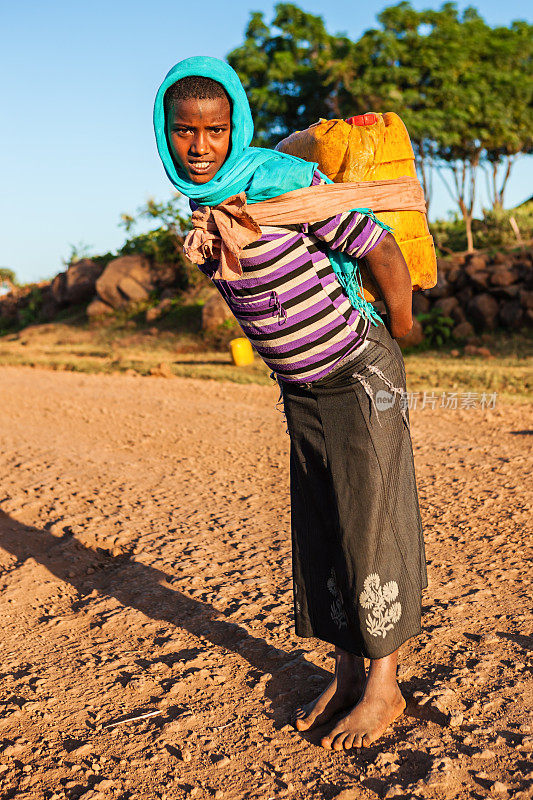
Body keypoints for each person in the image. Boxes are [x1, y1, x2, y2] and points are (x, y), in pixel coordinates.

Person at [154, 56, 427, 751]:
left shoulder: (282, 182)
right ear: (164, 132)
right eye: (184, 130)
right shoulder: (208, 201)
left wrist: (402, 325)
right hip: (300, 388)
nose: (199, 145)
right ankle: (343, 670)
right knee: (321, 528)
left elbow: (377, 244)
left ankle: (384, 685)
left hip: (358, 371)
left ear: (235, 126)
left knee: (371, 524)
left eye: (214, 130)